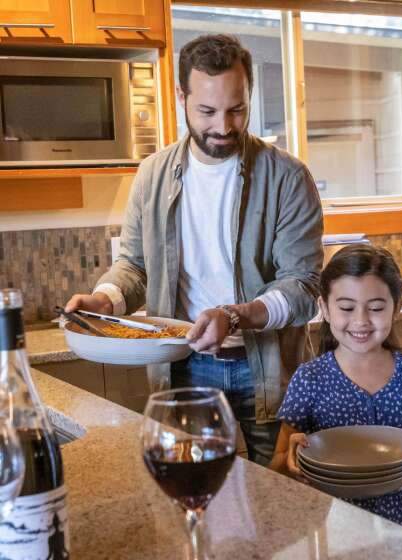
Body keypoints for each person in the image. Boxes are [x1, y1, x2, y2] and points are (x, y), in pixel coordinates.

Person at [65, 34, 324, 466]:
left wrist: (234, 316)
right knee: (193, 499)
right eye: (207, 111)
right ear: (180, 97)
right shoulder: (153, 175)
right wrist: (104, 299)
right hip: (182, 367)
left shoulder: (288, 178)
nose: (223, 127)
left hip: (268, 368)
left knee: (286, 500)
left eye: (236, 110)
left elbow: (302, 286)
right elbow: (135, 266)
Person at [270, 244, 402, 532]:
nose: (361, 320)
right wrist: (291, 462)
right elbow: (277, 466)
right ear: (325, 309)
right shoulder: (309, 378)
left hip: (400, 531)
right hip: (330, 533)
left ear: (396, 308)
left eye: (376, 308)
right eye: (347, 308)